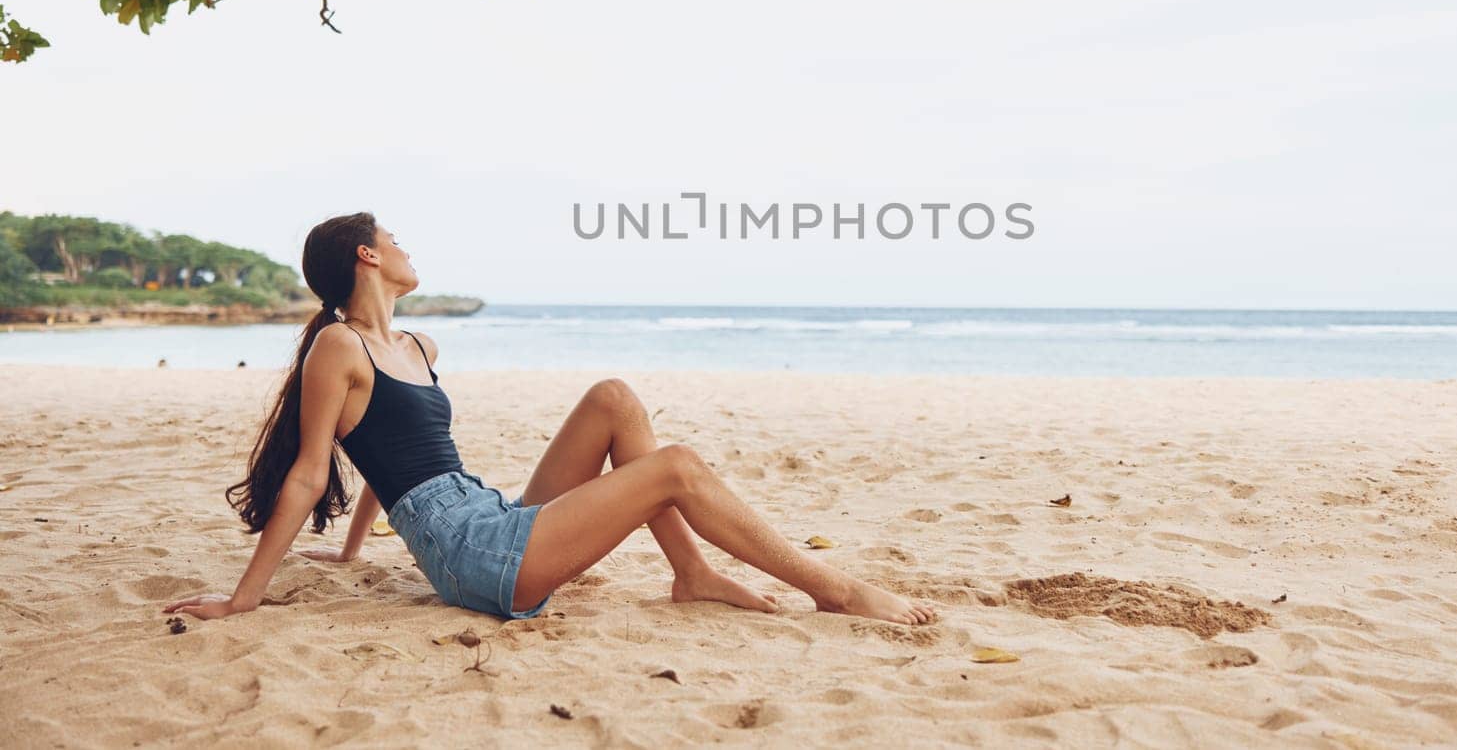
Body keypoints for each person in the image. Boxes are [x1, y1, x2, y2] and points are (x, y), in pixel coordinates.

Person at [161, 212, 936, 626]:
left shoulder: (416, 344)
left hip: (488, 514)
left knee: (613, 399)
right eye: (393, 237)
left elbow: (393, 453)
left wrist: (357, 550)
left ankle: (692, 572)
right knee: (677, 465)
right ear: (366, 256)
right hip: (471, 554)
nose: (405, 245)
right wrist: (244, 597)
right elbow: (312, 466)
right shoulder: (338, 343)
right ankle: (835, 591)